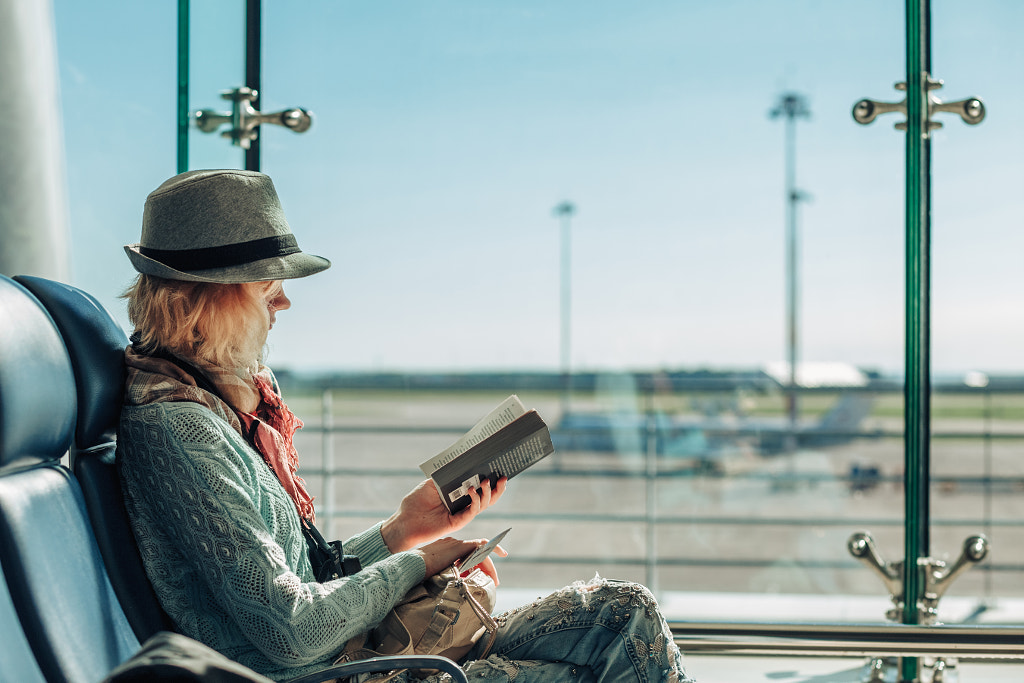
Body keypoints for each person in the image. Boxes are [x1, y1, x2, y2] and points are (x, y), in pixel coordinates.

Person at [117, 169, 694, 683]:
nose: (285, 301)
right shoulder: (180, 434)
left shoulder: (217, 408)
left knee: (623, 613)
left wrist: (405, 525)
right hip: (348, 670)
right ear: (212, 297)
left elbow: (308, 577)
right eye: (269, 282)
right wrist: (419, 562)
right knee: (610, 641)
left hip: (363, 652)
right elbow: (291, 631)